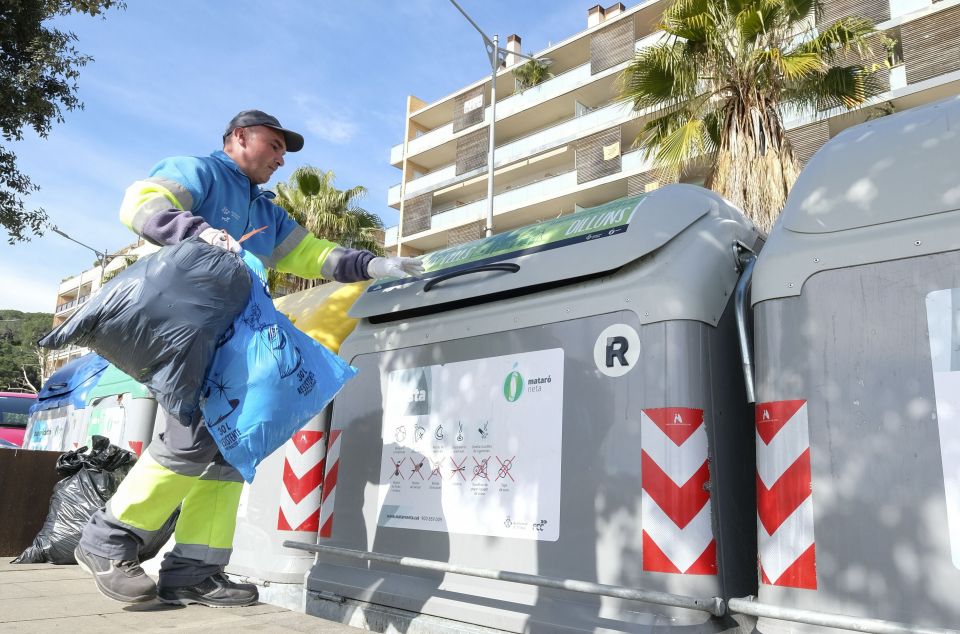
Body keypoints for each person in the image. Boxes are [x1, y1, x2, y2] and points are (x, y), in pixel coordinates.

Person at [74, 110, 422, 607]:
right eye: (275, 146)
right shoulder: (204, 173)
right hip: (188, 332)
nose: (281, 159)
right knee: (191, 438)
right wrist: (193, 231)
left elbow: (312, 254)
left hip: (232, 338)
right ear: (239, 137)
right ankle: (107, 541)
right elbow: (141, 201)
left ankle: (195, 570)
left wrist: (373, 264)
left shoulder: (265, 210)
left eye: (284, 151)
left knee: (228, 451)